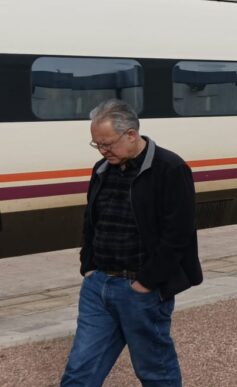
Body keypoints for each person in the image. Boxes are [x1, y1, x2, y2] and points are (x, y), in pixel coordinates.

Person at [61, 99, 202, 387]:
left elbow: (179, 234)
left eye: (107, 143)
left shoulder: (170, 168)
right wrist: (88, 265)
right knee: (79, 371)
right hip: (98, 285)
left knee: (154, 371)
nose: (102, 150)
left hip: (140, 289)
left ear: (131, 134)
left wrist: (146, 282)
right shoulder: (102, 168)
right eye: (97, 144)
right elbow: (92, 221)